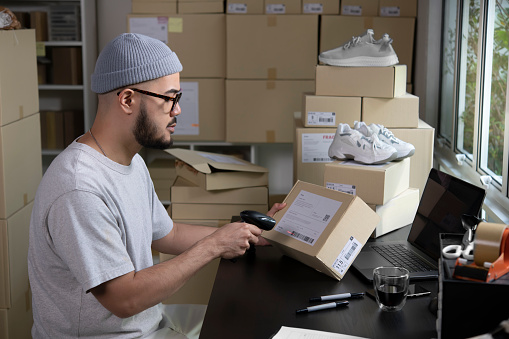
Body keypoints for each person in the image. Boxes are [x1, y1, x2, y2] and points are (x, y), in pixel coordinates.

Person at [28, 32, 286, 339]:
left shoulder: (131, 162)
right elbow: (125, 299)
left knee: (248, 320)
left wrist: (248, 234)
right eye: (169, 98)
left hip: (148, 325)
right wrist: (214, 245)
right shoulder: (79, 188)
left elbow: (168, 234)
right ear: (127, 99)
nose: (177, 110)